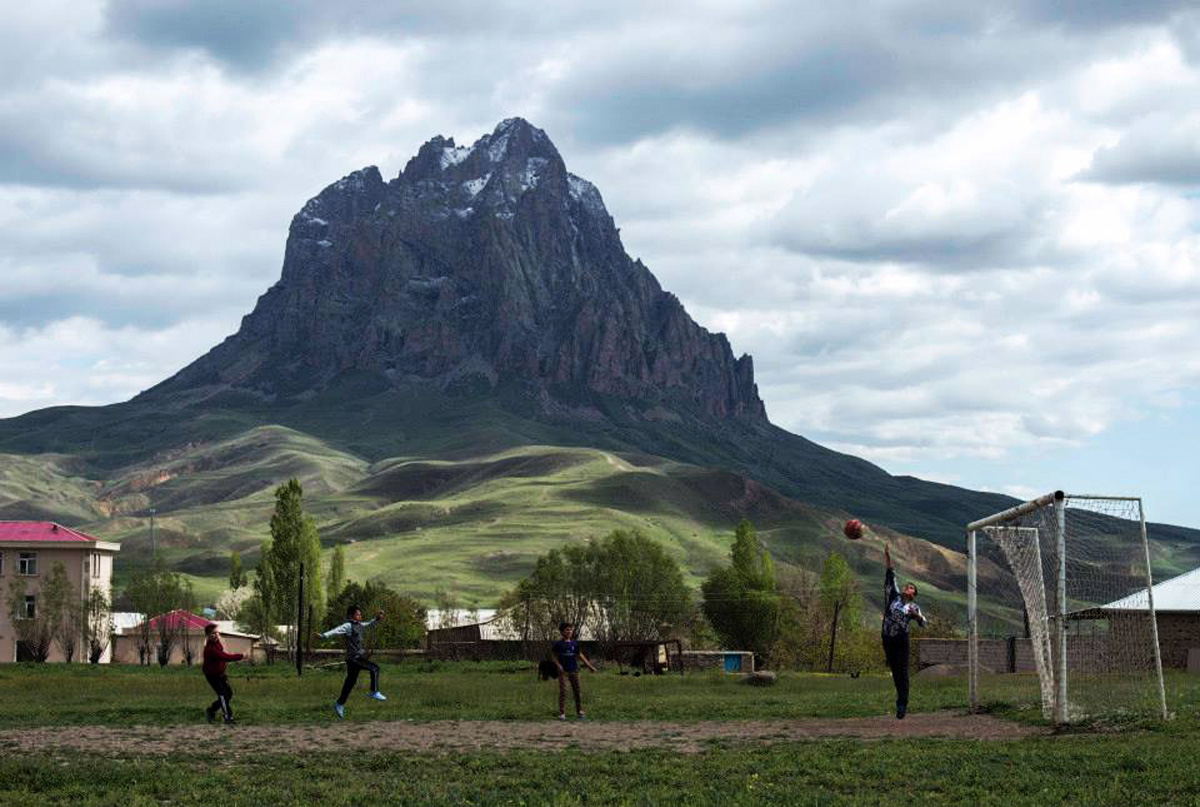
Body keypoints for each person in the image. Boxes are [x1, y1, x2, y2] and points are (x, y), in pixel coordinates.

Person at [318, 605, 387, 719]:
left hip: (354, 658)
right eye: (358, 614)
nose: (360, 616)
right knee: (374, 668)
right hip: (354, 658)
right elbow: (336, 630)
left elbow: (370, 624)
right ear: (351, 615)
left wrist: (377, 619)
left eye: (360, 614)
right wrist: (324, 636)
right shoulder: (348, 626)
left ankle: (339, 704)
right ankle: (374, 691)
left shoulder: (359, 625)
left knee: (350, 682)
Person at [882, 543, 926, 719]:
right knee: (895, 671)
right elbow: (891, 573)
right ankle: (899, 697)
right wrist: (887, 555)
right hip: (887, 637)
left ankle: (902, 704)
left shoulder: (914, 607)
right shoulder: (894, 596)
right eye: (907, 586)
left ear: (914, 595)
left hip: (901, 640)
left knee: (903, 672)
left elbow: (924, 622)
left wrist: (916, 616)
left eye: (911, 589)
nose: (908, 589)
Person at [202, 623, 247, 724]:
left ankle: (211, 710)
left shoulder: (217, 643)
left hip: (221, 674)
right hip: (212, 675)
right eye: (213, 633)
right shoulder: (210, 649)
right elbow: (225, 657)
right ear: (208, 635)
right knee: (222, 695)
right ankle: (228, 717)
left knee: (229, 694)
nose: (215, 635)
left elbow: (223, 656)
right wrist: (241, 656)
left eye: (216, 632)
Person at [551, 621, 596, 720]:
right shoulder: (558, 644)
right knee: (563, 691)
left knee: (577, 691)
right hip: (563, 672)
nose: (569, 631)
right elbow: (553, 656)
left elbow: (580, 655)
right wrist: (558, 665)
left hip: (574, 670)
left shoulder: (575, 644)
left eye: (571, 630)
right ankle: (562, 713)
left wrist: (589, 666)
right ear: (562, 632)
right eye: (567, 630)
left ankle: (580, 712)